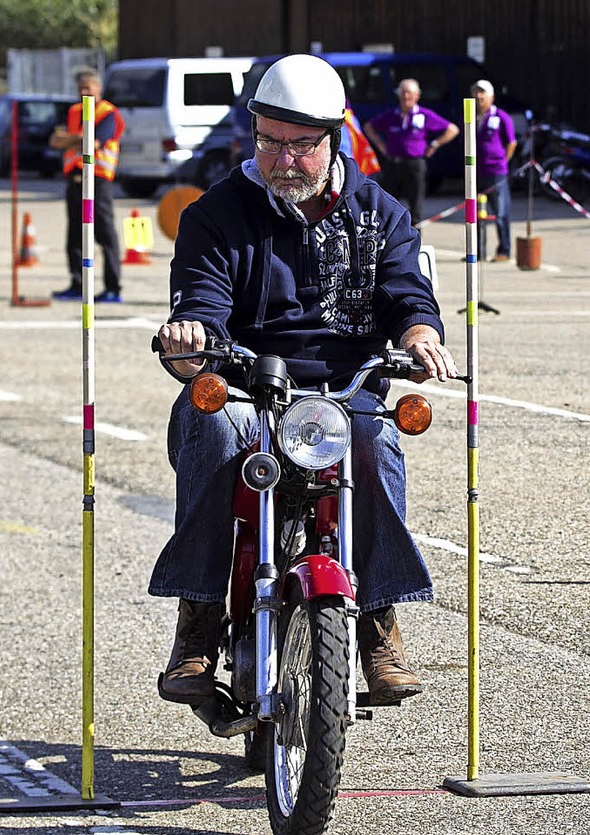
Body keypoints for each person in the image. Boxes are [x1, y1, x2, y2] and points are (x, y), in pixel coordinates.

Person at [150, 54, 458, 709]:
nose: (283, 159)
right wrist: (189, 339)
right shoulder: (215, 213)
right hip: (242, 389)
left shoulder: (380, 214)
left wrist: (419, 334)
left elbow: (407, 291)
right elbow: (200, 299)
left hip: (344, 392)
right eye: (268, 141)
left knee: (377, 445)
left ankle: (377, 623)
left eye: (301, 146)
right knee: (213, 427)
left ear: (335, 137)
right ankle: (198, 622)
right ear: (252, 134)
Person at [50, 68, 125, 303]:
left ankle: (112, 287)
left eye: (88, 88)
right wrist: (78, 139)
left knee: (105, 234)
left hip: (98, 179)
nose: (83, 92)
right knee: (75, 234)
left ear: (98, 88)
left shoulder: (108, 113)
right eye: (80, 88)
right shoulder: (74, 111)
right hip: (74, 179)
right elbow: (55, 140)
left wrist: (72, 139)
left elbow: (93, 143)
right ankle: (77, 284)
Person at [363, 78, 459, 226]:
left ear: (417, 96)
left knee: (415, 205)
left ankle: (415, 239)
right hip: (393, 163)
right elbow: (369, 127)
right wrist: (381, 146)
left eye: (409, 93)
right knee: (389, 203)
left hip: (415, 164)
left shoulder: (424, 115)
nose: (406, 97)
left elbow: (452, 129)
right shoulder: (391, 115)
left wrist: (434, 144)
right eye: (403, 93)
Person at [471, 79, 517, 262]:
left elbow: (511, 142)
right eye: (476, 92)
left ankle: (504, 250)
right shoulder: (470, 117)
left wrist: (503, 161)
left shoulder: (501, 117)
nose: (479, 97)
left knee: (501, 212)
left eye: (482, 93)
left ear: (491, 97)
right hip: (476, 172)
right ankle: (478, 251)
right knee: (474, 215)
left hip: (496, 172)